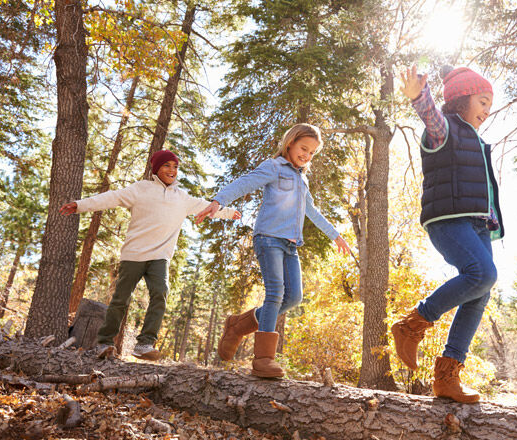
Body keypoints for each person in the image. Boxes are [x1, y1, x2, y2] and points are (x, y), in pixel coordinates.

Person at [195, 123, 351, 378]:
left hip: (290, 245)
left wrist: (336, 235)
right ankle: (263, 359)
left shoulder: (302, 179)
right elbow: (245, 183)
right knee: (276, 293)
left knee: (294, 297)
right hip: (268, 238)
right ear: (290, 143)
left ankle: (237, 325)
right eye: (304, 148)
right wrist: (218, 201)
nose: (307, 156)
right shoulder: (274, 167)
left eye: (312, 153)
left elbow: (312, 211)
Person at [392, 65, 505, 403]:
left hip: (477, 224)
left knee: (480, 291)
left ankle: (447, 376)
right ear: (460, 100)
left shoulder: (477, 139)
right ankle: (413, 324)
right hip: (448, 220)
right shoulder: (446, 130)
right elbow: (431, 117)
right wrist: (419, 97)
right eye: (482, 102)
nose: (487, 110)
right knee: (482, 273)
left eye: (489, 104)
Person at [60, 150, 240, 360]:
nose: (172, 170)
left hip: (160, 256)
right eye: (166, 166)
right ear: (156, 168)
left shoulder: (182, 198)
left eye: (175, 166)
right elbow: (111, 197)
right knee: (120, 300)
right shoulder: (140, 189)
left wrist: (228, 213)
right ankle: (105, 343)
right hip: (134, 254)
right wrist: (80, 205)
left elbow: (206, 206)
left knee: (160, 292)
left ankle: (144, 344)